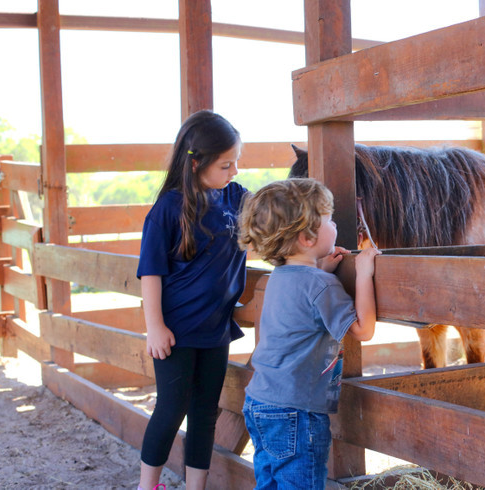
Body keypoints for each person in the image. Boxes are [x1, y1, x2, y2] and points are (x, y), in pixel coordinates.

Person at [237, 178, 381, 489]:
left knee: (270, 484)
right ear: (306, 237)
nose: (335, 225)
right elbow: (363, 329)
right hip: (296, 412)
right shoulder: (320, 285)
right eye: (328, 219)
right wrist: (364, 274)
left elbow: (305, 299)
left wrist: (321, 269)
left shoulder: (281, 276)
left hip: (260, 402)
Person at [136, 110, 248, 490]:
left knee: (205, 413)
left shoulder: (236, 198)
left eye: (236, 162)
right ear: (197, 163)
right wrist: (155, 326)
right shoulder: (168, 208)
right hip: (177, 331)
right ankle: (147, 486)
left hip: (215, 330)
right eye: (225, 164)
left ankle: (195, 487)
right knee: (170, 410)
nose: (234, 171)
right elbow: (150, 271)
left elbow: (273, 219)